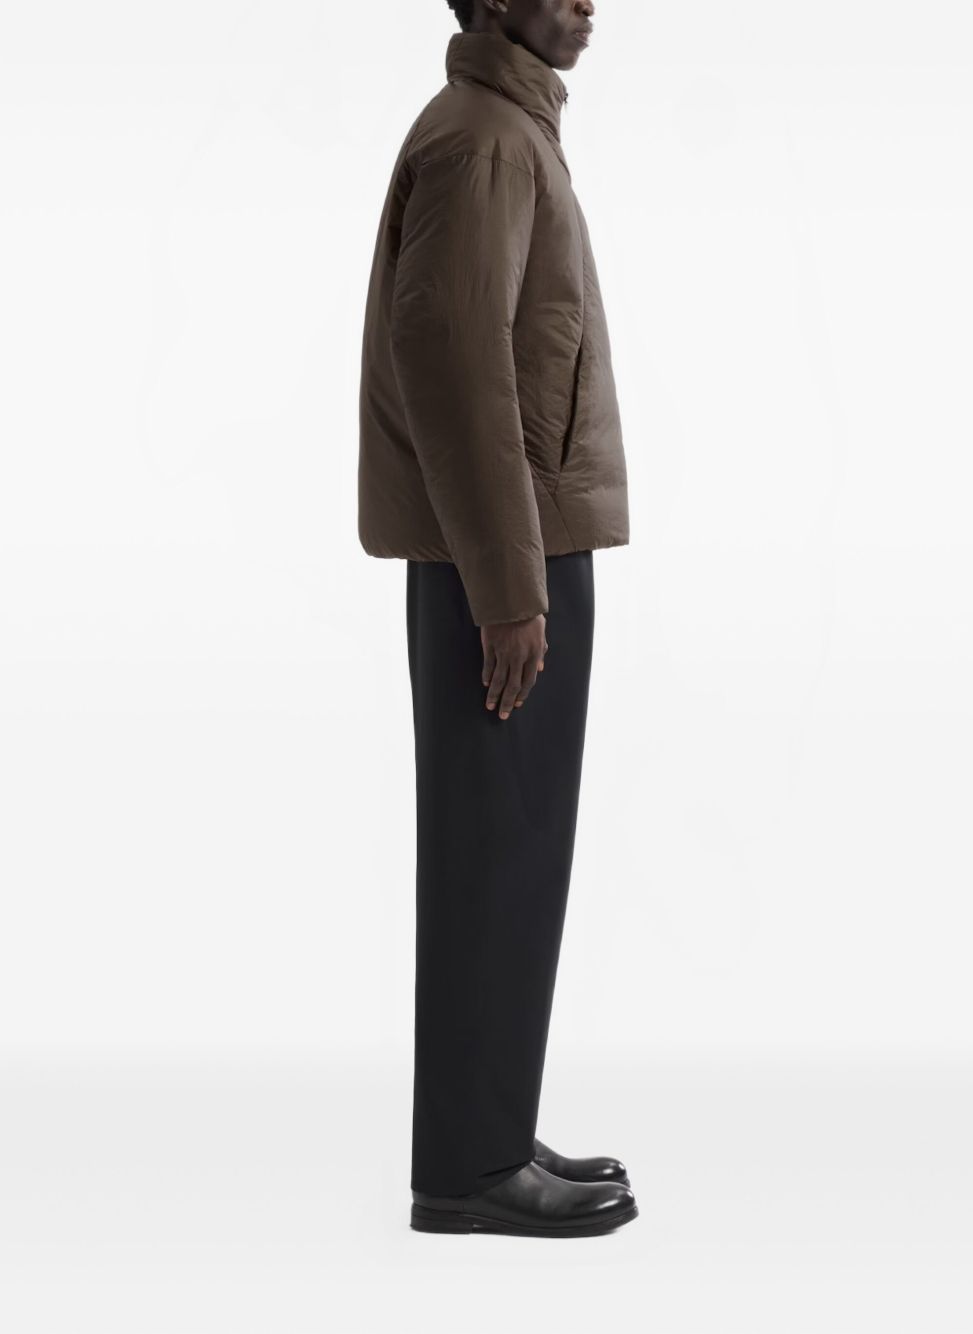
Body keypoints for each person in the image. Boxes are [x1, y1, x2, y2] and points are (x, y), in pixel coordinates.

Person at [357, 0, 635, 1237]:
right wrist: (509, 588)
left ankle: (488, 1133)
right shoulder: (481, 140)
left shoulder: (504, 129)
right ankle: (470, 1170)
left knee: (510, 852)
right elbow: (451, 359)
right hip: (507, 562)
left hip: (516, 545)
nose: (586, 0)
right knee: (496, 852)